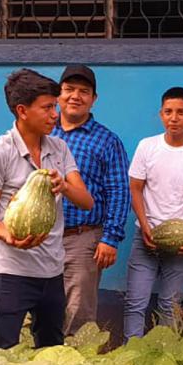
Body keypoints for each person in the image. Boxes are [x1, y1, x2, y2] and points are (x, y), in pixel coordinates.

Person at [0, 68, 94, 350]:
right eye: (47, 108)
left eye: (55, 106)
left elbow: (86, 201)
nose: (55, 114)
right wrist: (7, 235)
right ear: (22, 111)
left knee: (51, 350)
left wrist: (64, 185)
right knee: (3, 350)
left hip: (52, 269)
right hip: (12, 270)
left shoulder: (59, 148)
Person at [123, 87, 183, 342]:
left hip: (182, 242)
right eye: (168, 112)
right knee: (135, 302)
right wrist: (145, 226)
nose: (174, 118)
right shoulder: (147, 147)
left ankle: (165, 356)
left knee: (169, 305)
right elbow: (135, 188)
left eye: (181, 112)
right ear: (161, 114)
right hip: (146, 237)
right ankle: (130, 353)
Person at [51, 65, 130, 336]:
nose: (76, 96)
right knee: (42, 305)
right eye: (69, 89)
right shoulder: (43, 132)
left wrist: (110, 238)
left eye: (84, 91)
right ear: (58, 95)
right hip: (41, 238)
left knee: (78, 311)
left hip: (82, 239)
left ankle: (76, 359)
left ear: (93, 99)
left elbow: (119, 190)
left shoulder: (107, 141)